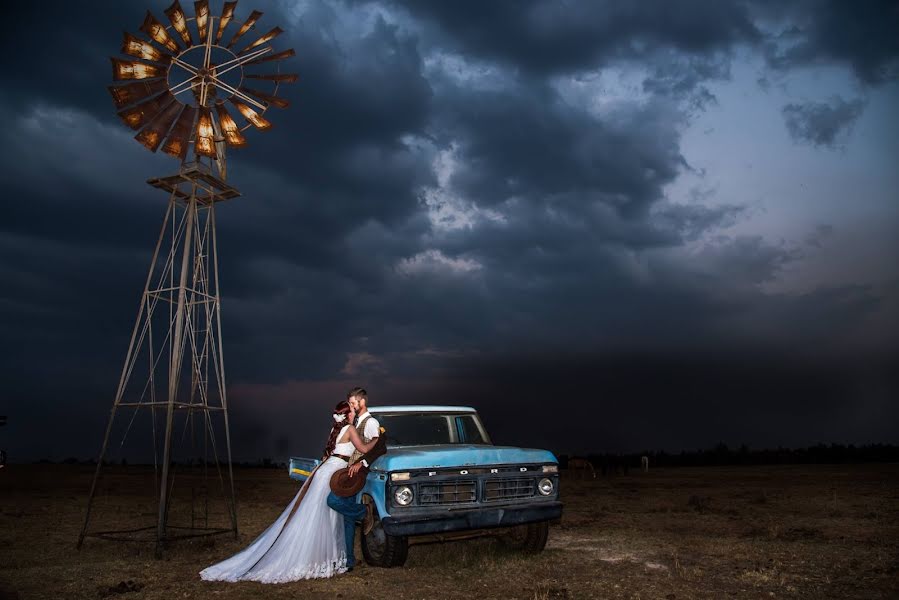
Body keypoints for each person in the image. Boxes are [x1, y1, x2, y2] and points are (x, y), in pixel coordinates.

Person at [199, 398, 379, 583]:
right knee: (326, 513)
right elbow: (364, 448)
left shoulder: (334, 430)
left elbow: (327, 453)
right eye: (350, 411)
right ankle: (352, 529)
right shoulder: (349, 429)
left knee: (320, 515)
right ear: (345, 414)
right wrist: (376, 438)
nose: (353, 413)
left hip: (325, 471)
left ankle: (334, 557)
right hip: (333, 473)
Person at [327, 387, 379, 571]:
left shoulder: (371, 422)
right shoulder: (354, 422)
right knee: (346, 518)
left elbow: (378, 446)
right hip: (346, 472)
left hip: (357, 473)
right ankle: (348, 560)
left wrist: (363, 462)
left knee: (334, 502)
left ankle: (364, 513)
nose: (350, 406)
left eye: (352, 403)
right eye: (349, 404)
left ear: (361, 402)